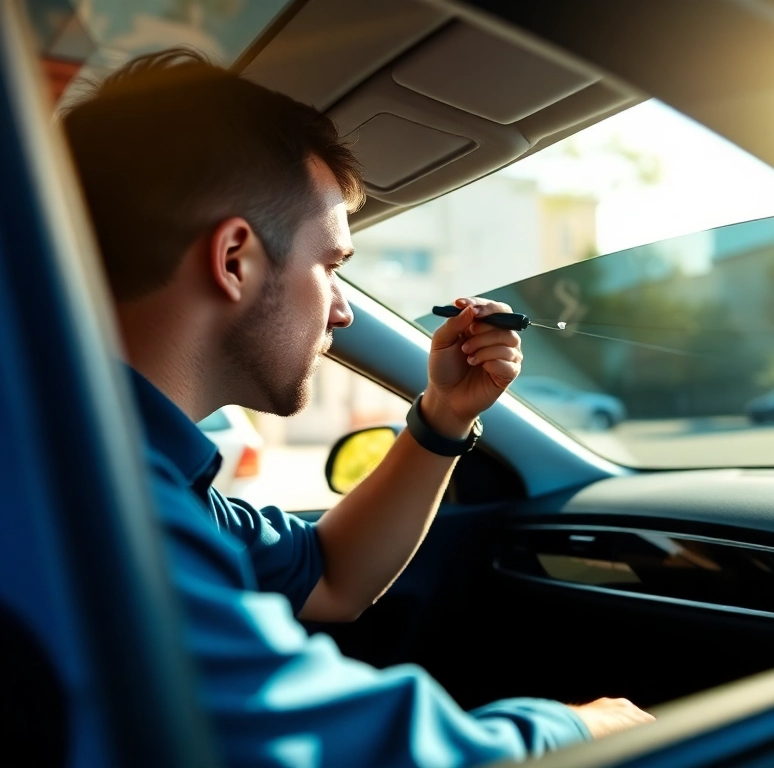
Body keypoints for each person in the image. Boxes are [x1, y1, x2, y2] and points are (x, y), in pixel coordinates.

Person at [61, 48, 653, 765]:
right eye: (333, 266)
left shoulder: (118, 467)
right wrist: (583, 733)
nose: (342, 313)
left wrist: (444, 415)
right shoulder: (99, 506)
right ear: (234, 260)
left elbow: (331, 577)